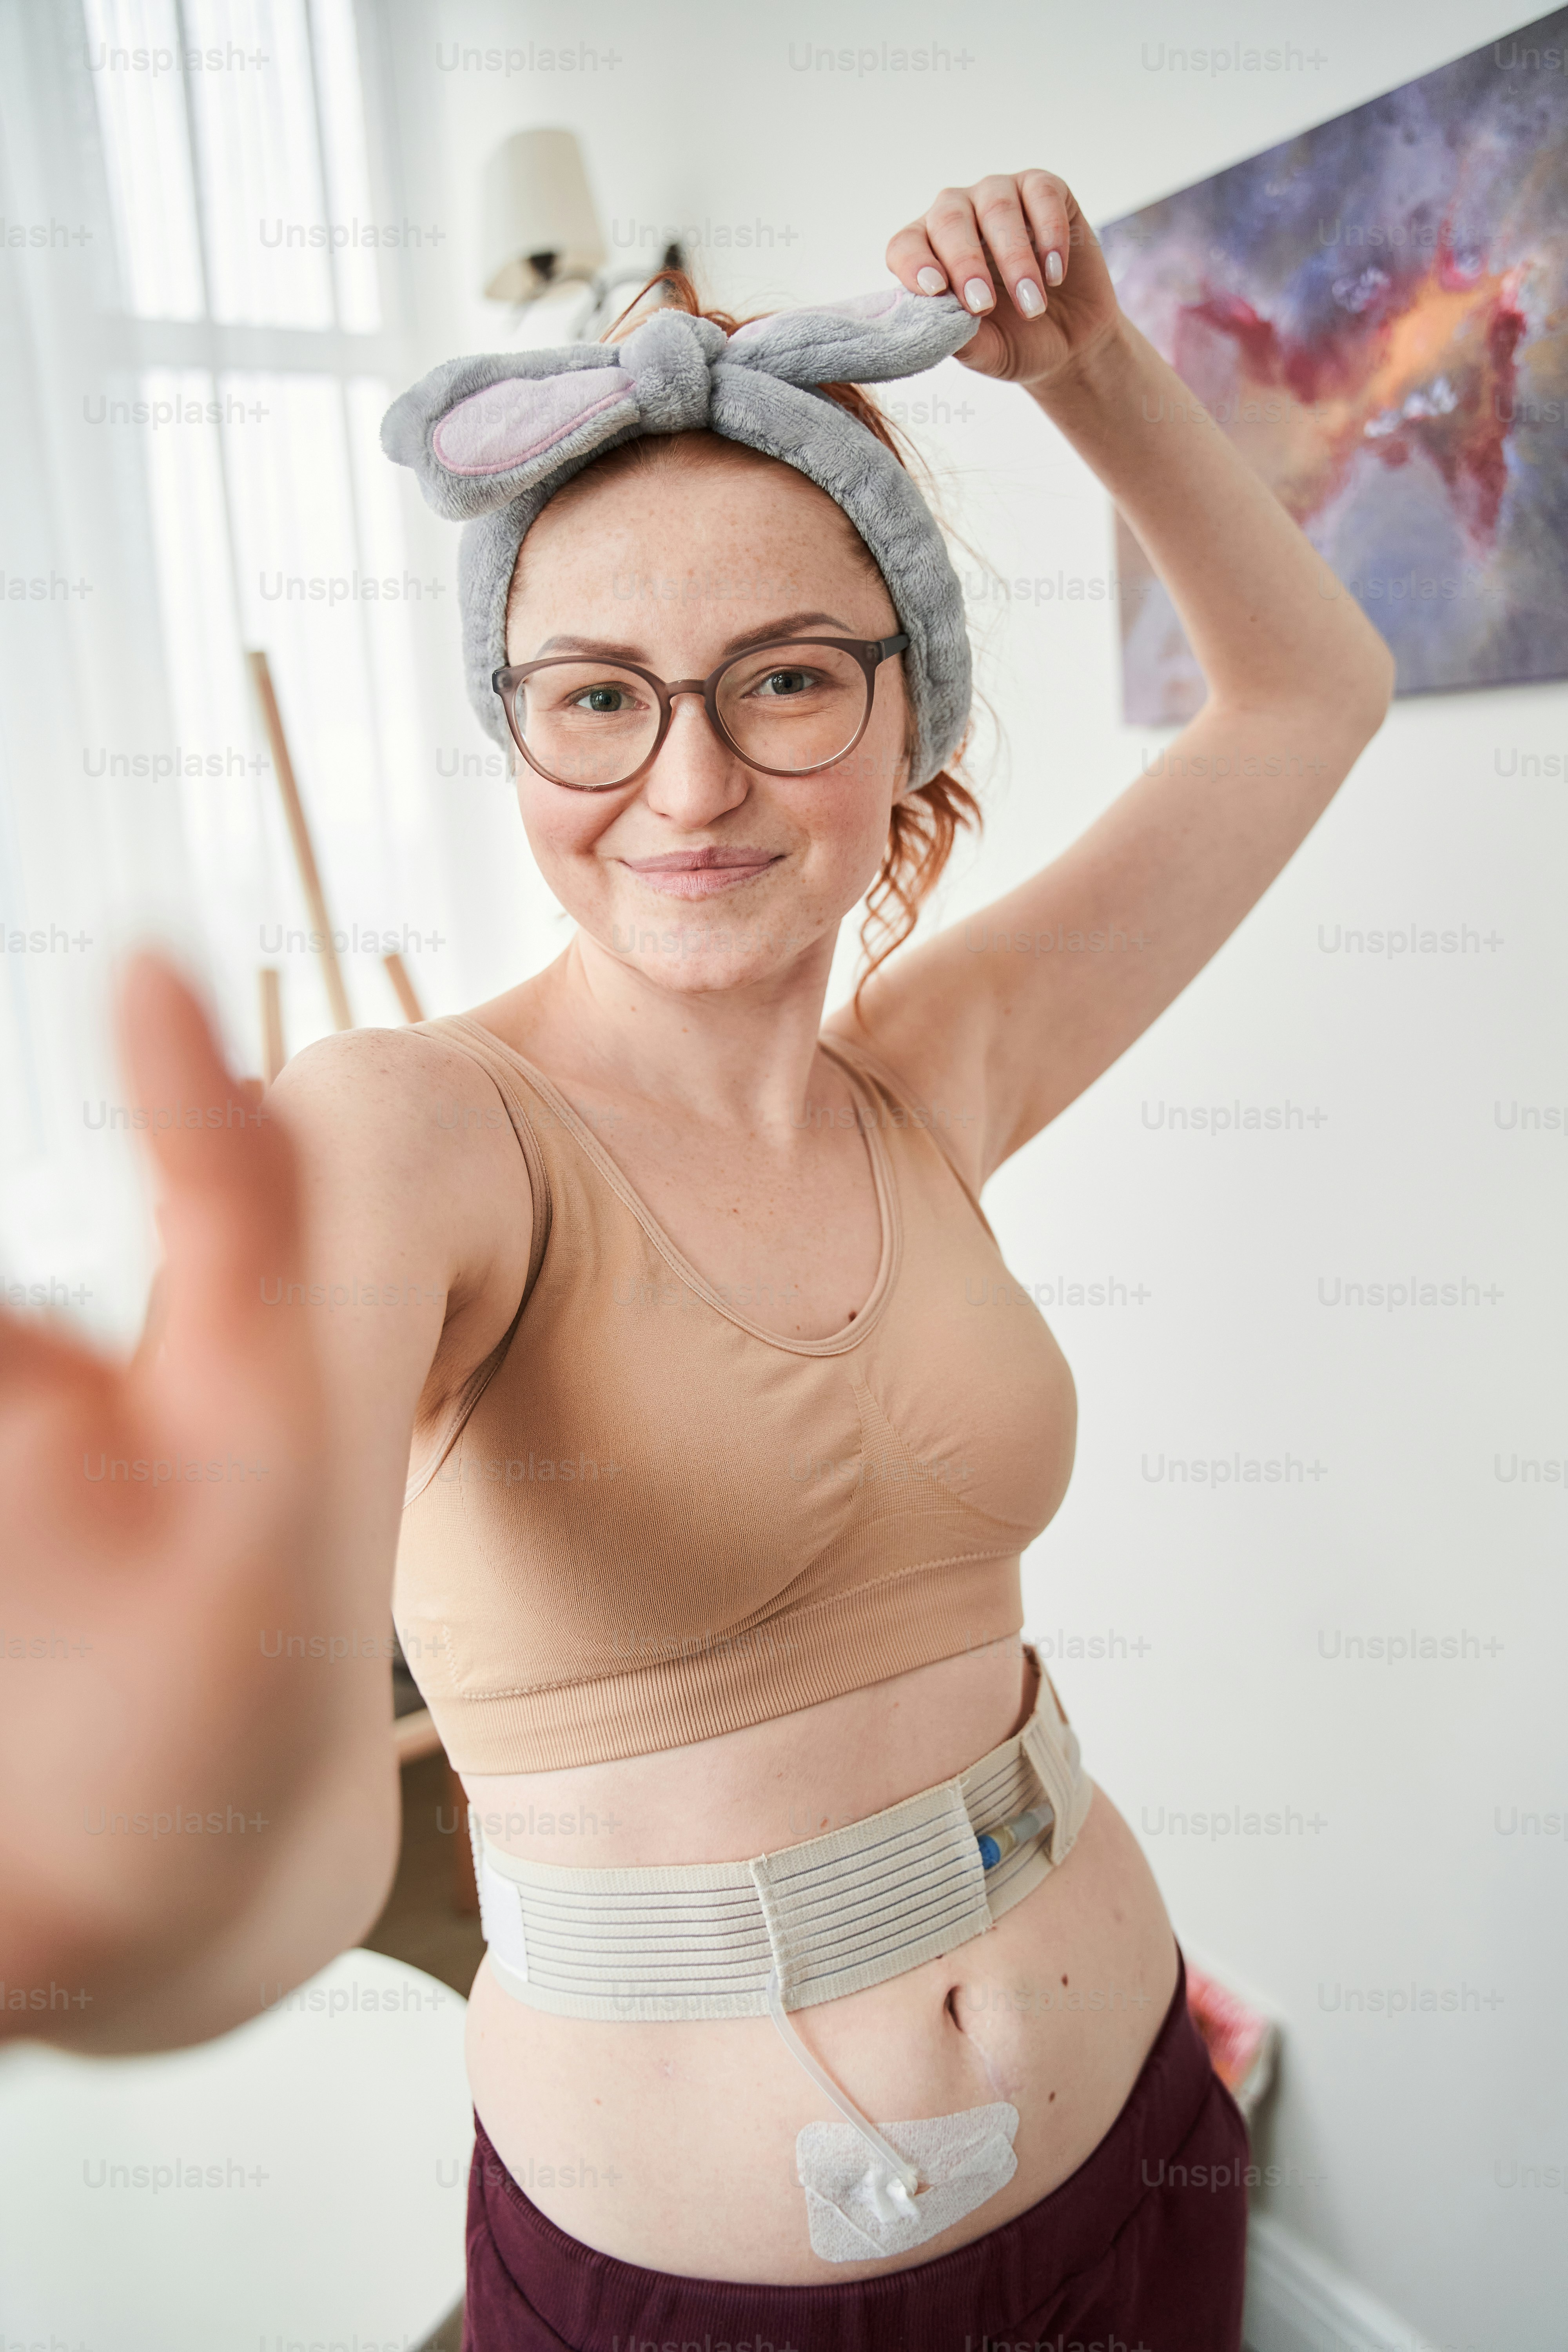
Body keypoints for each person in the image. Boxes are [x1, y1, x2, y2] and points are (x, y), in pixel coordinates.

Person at [0, 171, 1392, 2346]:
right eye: (598, 699)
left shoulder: (934, 1078)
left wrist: (1095, 369)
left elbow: (1307, 694)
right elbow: (279, 1864)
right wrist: (134, 1863)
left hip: (1143, 2151)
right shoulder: (411, 1135)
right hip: (703, 2292)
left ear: (908, 714)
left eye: (787, 679)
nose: (691, 783)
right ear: (519, 727)